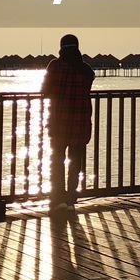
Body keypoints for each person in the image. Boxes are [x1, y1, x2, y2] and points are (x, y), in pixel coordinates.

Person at [40, 33, 95, 213]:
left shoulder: (55, 66)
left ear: (61, 47)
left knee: (57, 161)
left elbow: (45, 91)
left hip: (59, 123)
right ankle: (71, 199)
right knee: (75, 162)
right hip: (80, 124)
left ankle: (58, 199)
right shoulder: (87, 70)